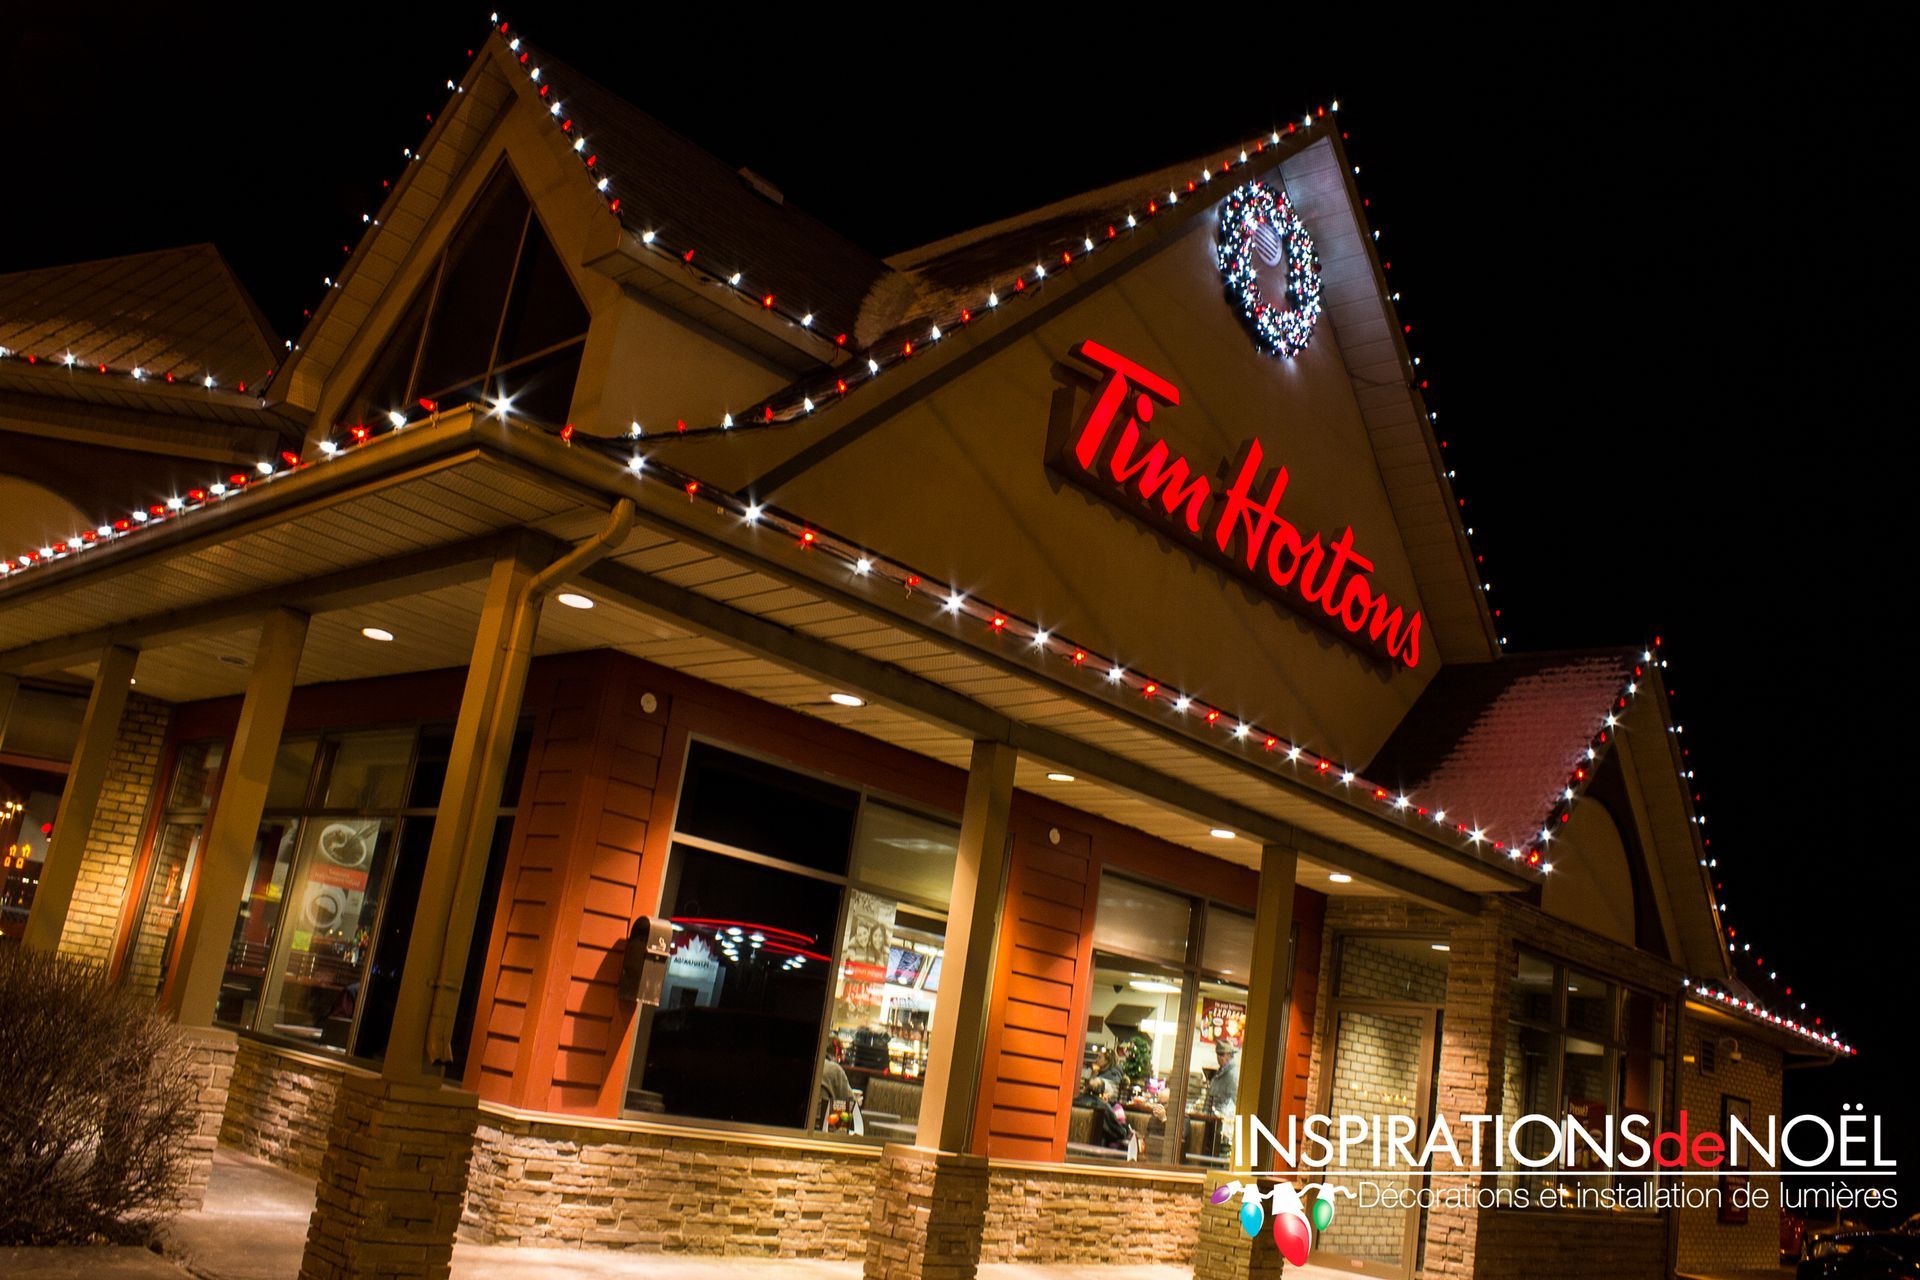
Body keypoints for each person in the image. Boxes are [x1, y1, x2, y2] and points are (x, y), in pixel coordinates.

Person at [1204, 1042, 1241, 1115]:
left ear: (1229, 1055)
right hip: (1212, 1116)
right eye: (1217, 1054)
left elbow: (1236, 1101)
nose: (1219, 1057)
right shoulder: (1219, 1073)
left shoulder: (1232, 1075)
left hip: (1224, 1117)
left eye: (1221, 1054)